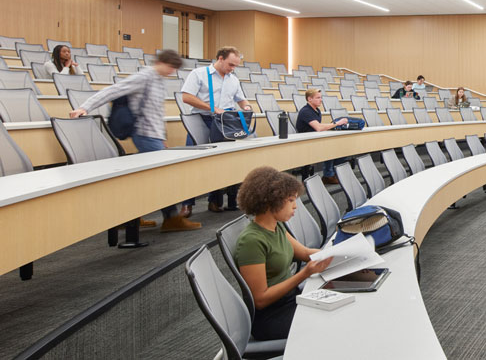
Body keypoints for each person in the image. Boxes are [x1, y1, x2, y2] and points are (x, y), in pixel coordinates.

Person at [69, 49, 200, 232]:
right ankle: (170, 218)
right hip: (144, 134)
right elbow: (113, 91)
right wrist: (84, 108)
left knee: (145, 178)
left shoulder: (159, 81)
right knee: (160, 177)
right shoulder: (144, 76)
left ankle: (129, 216)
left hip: (154, 136)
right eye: (171, 67)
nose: (172, 72)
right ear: (162, 63)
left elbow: (156, 112)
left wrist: (162, 138)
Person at [234, 166, 332, 341]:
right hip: (270, 318)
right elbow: (260, 299)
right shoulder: (251, 241)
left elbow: (305, 253)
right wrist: (304, 273)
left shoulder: (276, 226)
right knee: (330, 322)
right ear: (271, 201)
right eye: (290, 200)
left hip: (290, 300)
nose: (295, 206)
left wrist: (337, 253)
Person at [181, 46, 253, 212]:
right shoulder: (198, 74)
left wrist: (247, 107)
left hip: (223, 123)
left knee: (219, 162)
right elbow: (186, 97)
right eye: (230, 64)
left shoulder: (233, 79)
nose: (232, 69)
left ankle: (214, 201)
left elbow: (241, 100)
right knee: (191, 164)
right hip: (200, 120)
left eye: (235, 66)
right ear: (220, 58)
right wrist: (211, 108)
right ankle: (187, 204)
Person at [296, 88, 347, 185]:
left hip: (315, 138)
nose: (321, 100)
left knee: (341, 147)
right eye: (318, 97)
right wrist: (337, 124)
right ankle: (328, 175)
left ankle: (332, 173)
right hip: (306, 141)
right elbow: (318, 127)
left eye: (321, 97)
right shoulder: (306, 111)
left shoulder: (316, 110)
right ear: (309, 99)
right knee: (331, 148)